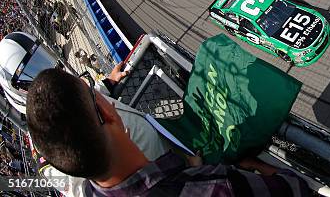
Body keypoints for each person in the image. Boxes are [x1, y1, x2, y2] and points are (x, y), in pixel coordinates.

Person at [26, 68, 311, 196]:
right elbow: (295, 189)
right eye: (91, 89)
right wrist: (258, 168)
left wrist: (188, 170)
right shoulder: (215, 187)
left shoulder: (87, 190)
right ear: (106, 112)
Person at [0, 32, 171, 196]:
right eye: (30, 71)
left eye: (41, 57)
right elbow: (80, 191)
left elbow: (84, 98)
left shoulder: (67, 91)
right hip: (154, 181)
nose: (45, 71)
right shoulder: (45, 147)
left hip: (164, 152)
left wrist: (108, 83)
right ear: (16, 89)